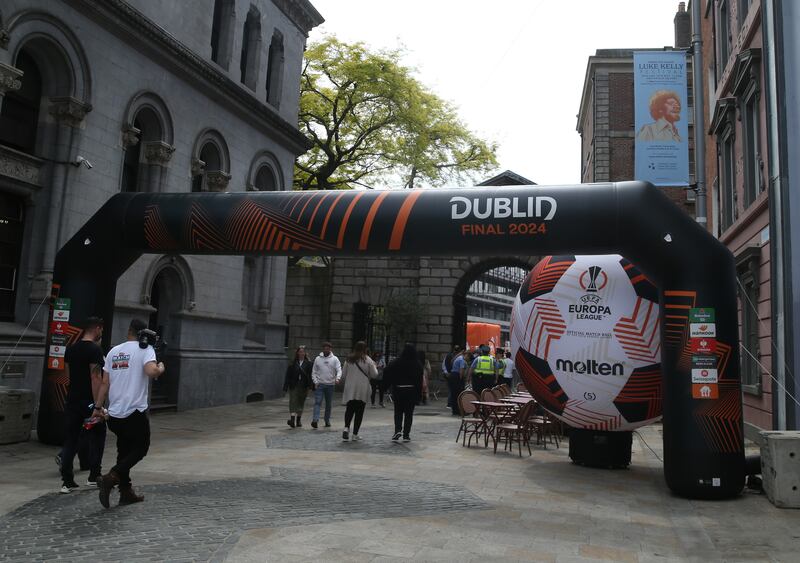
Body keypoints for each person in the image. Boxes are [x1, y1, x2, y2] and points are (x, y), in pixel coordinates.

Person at [94, 319, 165, 508]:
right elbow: (151, 372)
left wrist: (98, 407)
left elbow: (104, 383)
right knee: (141, 448)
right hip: (135, 411)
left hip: (115, 414)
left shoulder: (113, 351)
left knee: (123, 450)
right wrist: (160, 368)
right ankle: (111, 477)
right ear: (144, 333)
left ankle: (126, 492)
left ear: (129, 331)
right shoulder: (145, 349)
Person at [58, 317, 106, 493]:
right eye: (101, 330)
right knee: (98, 435)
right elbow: (96, 378)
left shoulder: (71, 349)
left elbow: (69, 375)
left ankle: (67, 480)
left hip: (72, 399)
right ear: (97, 329)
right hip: (88, 401)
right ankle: (94, 476)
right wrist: (97, 406)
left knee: (71, 438)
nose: (102, 333)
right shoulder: (94, 350)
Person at [383, 343, 423, 442]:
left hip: (398, 390)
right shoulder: (417, 364)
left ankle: (397, 430)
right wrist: (419, 394)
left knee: (398, 412)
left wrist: (387, 385)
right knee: (409, 414)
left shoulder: (396, 362)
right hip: (411, 391)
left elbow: (387, 371)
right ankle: (406, 434)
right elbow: (419, 380)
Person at [340, 341, 378, 441]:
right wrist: (375, 366)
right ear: (365, 349)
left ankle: (346, 428)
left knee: (349, 409)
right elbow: (374, 375)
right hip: (362, 389)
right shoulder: (368, 360)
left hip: (351, 388)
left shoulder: (349, 359)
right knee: (359, 412)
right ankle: (355, 434)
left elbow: (343, 375)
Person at [310, 342, 342, 428]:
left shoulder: (335, 359)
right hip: (320, 384)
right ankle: (315, 420)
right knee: (317, 402)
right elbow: (314, 371)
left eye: (328, 348)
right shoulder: (317, 359)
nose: (326, 349)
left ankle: (327, 420)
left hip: (330, 385)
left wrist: (337, 378)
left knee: (328, 404)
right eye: (325, 348)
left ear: (330, 349)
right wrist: (315, 381)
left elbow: (339, 369)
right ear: (323, 349)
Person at [283, 346, 313, 428]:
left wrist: (311, 386)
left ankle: (298, 420)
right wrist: (285, 387)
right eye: (300, 352)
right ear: (297, 353)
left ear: (305, 353)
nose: (301, 353)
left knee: (300, 402)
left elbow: (310, 376)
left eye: (303, 352)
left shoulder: (309, 363)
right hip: (294, 385)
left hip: (304, 386)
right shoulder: (293, 363)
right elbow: (288, 375)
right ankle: (292, 419)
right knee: (293, 401)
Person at [446, 348, 466, 415]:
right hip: (457, 377)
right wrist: (461, 379)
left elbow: (451, 362)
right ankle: (459, 410)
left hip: (453, 376)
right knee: (459, 394)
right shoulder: (462, 360)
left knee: (454, 394)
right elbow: (461, 371)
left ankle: (454, 410)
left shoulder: (457, 358)